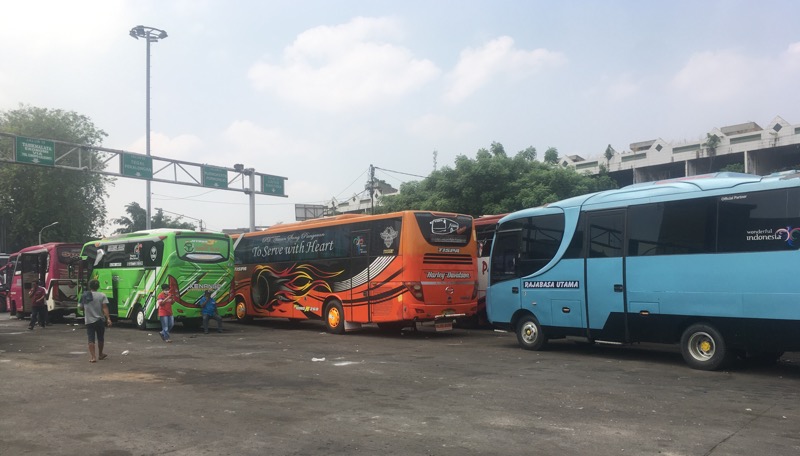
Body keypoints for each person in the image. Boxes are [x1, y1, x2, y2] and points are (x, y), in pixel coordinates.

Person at [78, 279, 112, 363]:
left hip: (89, 321)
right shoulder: (102, 295)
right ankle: (100, 354)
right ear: (98, 286)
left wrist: (86, 307)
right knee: (100, 338)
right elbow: (104, 307)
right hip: (100, 320)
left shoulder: (85, 295)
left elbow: (80, 307)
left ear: (89, 286)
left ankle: (93, 357)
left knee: (91, 339)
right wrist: (108, 318)